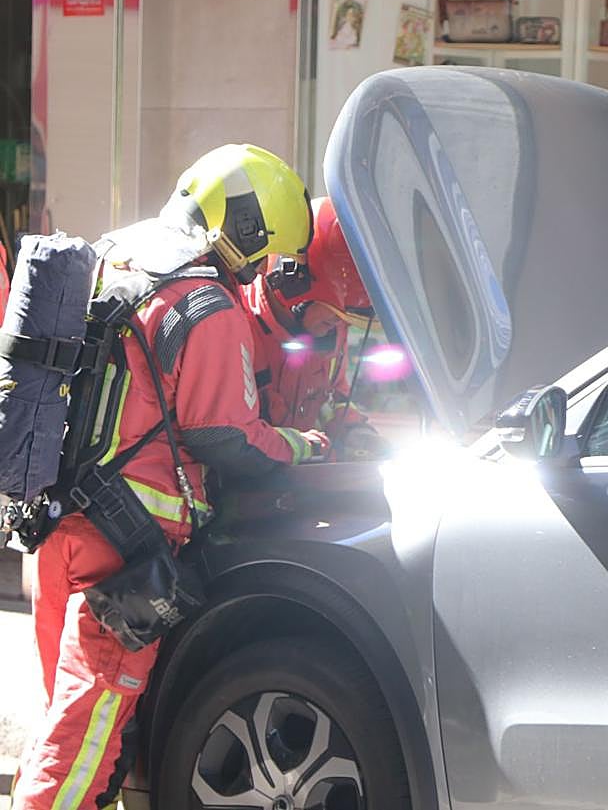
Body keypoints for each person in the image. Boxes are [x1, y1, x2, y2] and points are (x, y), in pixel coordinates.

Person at [12, 143, 329, 810]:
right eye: (268, 249)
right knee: (84, 736)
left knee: (66, 720)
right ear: (249, 229)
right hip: (123, 552)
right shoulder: (206, 303)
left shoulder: (114, 258)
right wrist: (301, 446)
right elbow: (228, 435)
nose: (266, 267)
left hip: (54, 529)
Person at [241, 195, 390, 462]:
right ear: (292, 284)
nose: (341, 326)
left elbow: (335, 399)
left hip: (298, 485)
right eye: (335, 314)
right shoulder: (237, 328)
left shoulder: (328, 330)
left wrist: (355, 431)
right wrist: (300, 446)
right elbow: (230, 437)